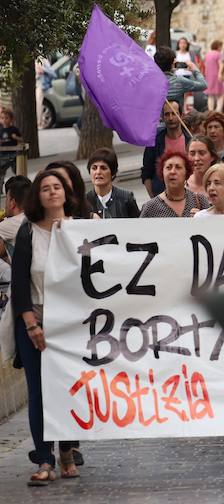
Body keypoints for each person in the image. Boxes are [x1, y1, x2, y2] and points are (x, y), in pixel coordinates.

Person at [12, 169, 82, 485]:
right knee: (39, 392)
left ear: (66, 194)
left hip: (71, 326)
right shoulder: (28, 233)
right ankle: (44, 458)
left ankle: (67, 449)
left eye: (57, 187)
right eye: (45, 188)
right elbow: (20, 285)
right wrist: (31, 324)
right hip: (35, 325)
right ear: (37, 196)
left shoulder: (80, 231)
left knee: (67, 389)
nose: (52, 192)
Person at [142, 101, 191, 197]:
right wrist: (153, 198)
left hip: (189, 197)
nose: (171, 118)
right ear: (162, 117)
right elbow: (146, 172)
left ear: (181, 115)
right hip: (162, 197)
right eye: (167, 114)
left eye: (174, 113)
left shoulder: (191, 141)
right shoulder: (154, 142)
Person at [139, 151, 209, 218]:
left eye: (178, 167)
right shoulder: (150, 207)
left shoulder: (200, 200)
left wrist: (201, 218)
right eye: (168, 167)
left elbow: (212, 227)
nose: (172, 172)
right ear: (162, 172)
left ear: (186, 173)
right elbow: (140, 229)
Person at [86, 148, 139, 218]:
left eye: (103, 168)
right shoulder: (84, 201)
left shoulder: (126, 198)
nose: (98, 172)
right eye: (94, 168)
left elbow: (137, 224)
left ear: (113, 173)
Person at [154, 46, 207, 112]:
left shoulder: (150, 82)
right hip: (175, 120)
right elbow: (203, 85)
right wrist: (195, 69)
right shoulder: (179, 81)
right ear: (172, 64)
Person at [0, 175, 31, 246]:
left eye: (6, 199)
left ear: (12, 203)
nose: (5, 205)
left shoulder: (9, 224)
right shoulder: (34, 218)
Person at [0, 107, 23, 184]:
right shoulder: (0, 130)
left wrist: (16, 137)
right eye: (2, 118)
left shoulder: (14, 129)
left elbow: (21, 139)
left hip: (13, 154)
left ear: (11, 119)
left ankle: (21, 184)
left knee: (17, 170)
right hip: (3, 155)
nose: (4, 120)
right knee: (1, 172)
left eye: (6, 118)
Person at [204, 40, 224, 113]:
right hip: (216, 76)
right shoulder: (219, 54)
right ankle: (218, 111)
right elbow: (221, 65)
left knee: (210, 95)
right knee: (221, 94)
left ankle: (210, 111)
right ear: (218, 46)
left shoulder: (207, 54)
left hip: (208, 76)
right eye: (221, 46)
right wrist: (220, 74)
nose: (221, 48)